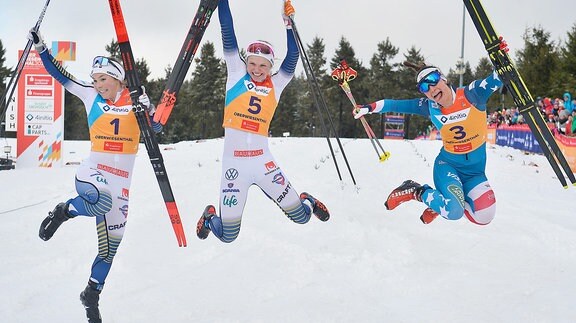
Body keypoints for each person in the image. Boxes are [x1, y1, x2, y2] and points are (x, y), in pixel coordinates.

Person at [29, 28, 161, 323]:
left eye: (105, 79)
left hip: (121, 182)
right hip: (92, 174)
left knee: (110, 249)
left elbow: (157, 130)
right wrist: (41, 48)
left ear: (119, 79)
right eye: (96, 80)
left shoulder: (137, 100)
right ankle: (65, 210)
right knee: (102, 200)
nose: (99, 85)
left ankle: (91, 294)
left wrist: (150, 113)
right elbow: (62, 76)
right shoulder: (89, 95)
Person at [196, 0, 329, 242]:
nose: (257, 69)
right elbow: (227, 30)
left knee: (302, 217)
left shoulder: (276, 84)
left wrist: (288, 24)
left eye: (263, 66)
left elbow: (293, 56)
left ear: (270, 67)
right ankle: (209, 217)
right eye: (253, 63)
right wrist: (222, 3)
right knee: (227, 235)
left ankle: (306, 200)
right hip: (234, 164)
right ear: (246, 62)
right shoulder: (236, 72)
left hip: (263, 161)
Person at [354, 61, 503, 225]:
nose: (432, 89)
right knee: (454, 212)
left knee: (484, 216)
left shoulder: (473, 94)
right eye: (424, 87)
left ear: (443, 78)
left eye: (433, 79)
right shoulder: (429, 107)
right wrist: (368, 108)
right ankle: (417, 191)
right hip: (449, 166)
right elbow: (393, 104)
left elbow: (499, 76)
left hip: (475, 172)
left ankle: (440, 204)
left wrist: (501, 58)